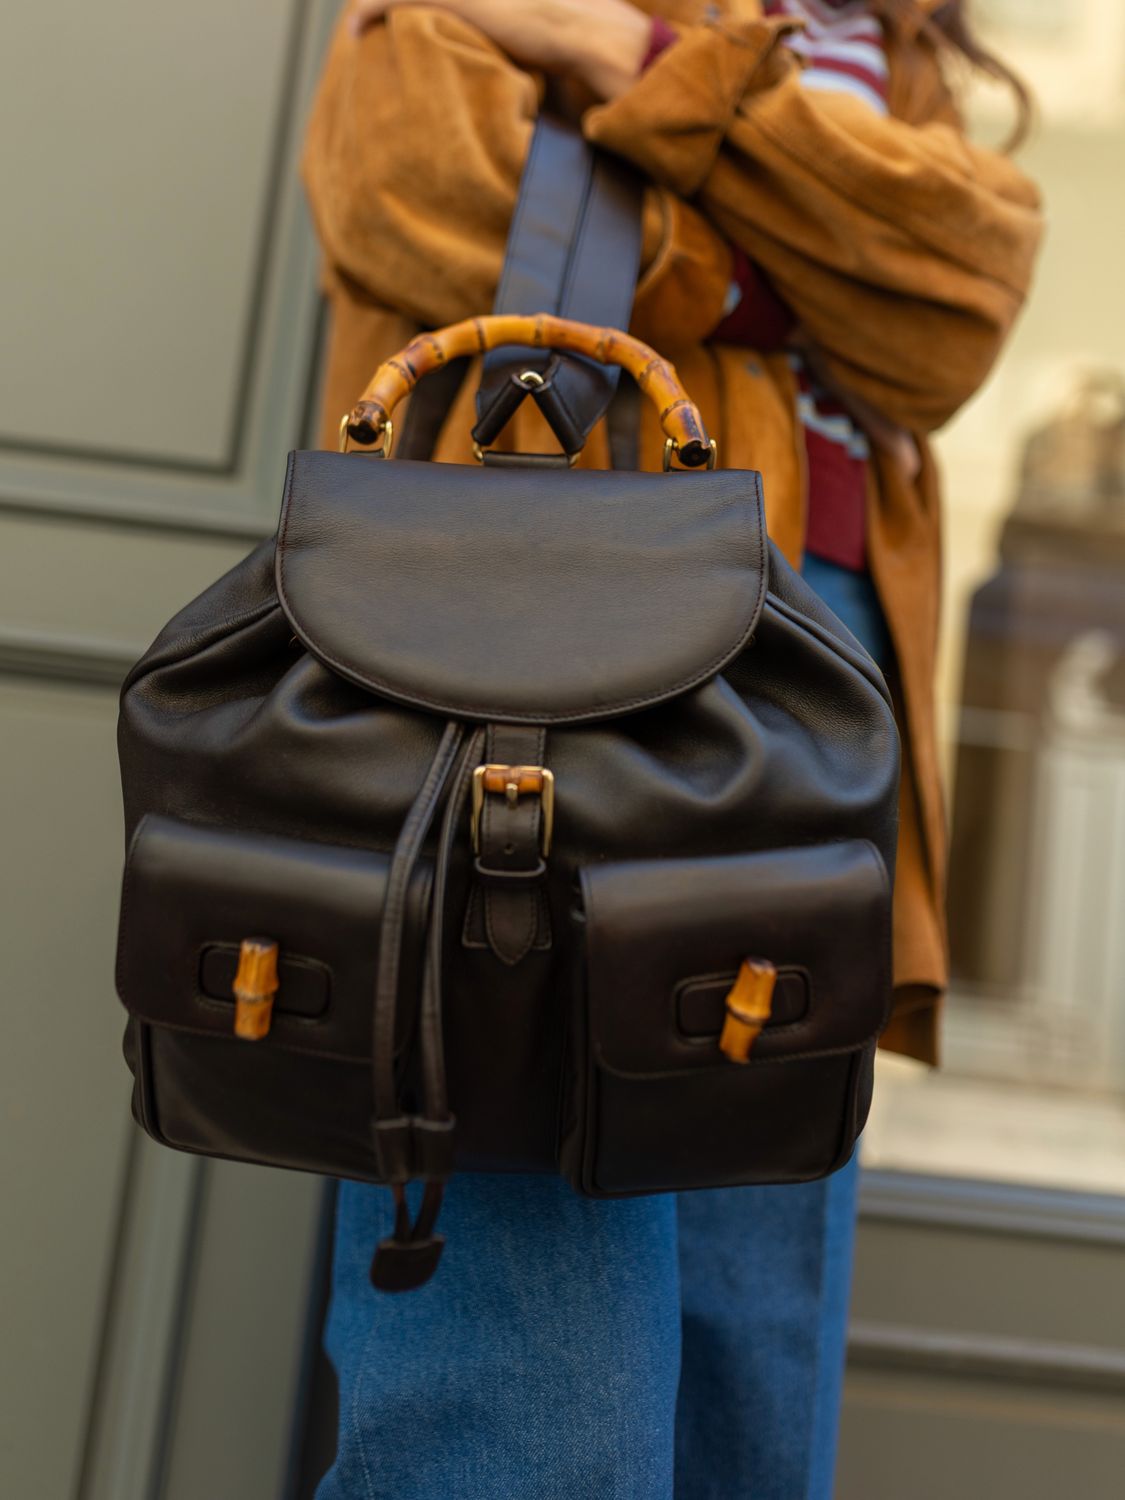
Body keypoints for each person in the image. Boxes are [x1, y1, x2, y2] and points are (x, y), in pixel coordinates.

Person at [301, 2, 1042, 1494]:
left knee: (745, 1344)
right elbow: (409, 193)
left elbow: (954, 297)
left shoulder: (880, 29)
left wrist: (639, 76)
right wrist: (785, 266)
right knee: (522, 1343)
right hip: (550, 641)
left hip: (820, 658)